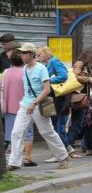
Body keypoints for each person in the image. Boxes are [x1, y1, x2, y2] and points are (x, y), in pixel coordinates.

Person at [7, 43, 70, 171]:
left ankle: (63, 157)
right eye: (21, 53)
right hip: (25, 105)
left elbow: (46, 90)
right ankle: (14, 162)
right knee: (16, 132)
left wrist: (34, 103)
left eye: (24, 53)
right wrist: (27, 102)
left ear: (31, 54)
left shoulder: (41, 68)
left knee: (47, 132)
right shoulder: (24, 69)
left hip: (38, 105)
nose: (22, 55)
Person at [36, 46, 77, 162]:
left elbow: (64, 75)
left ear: (46, 53)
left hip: (57, 97)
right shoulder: (48, 63)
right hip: (53, 97)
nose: (38, 58)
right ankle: (66, 149)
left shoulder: (54, 61)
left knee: (52, 125)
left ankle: (61, 152)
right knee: (52, 125)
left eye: (39, 55)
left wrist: (48, 81)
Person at [1, 49, 37, 167]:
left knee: (13, 132)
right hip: (24, 105)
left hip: (9, 105)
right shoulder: (25, 72)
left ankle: (14, 156)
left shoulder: (6, 72)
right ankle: (27, 158)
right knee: (28, 132)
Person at [72, 48, 92, 156]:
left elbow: (91, 82)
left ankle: (88, 148)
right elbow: (76, 77)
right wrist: (89, 80)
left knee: (87, 124)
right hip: (79, 99)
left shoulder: (87, 67)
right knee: (77, 125)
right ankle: (69, 149)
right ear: (88, 57)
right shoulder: (79, 64)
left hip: (85, 99)